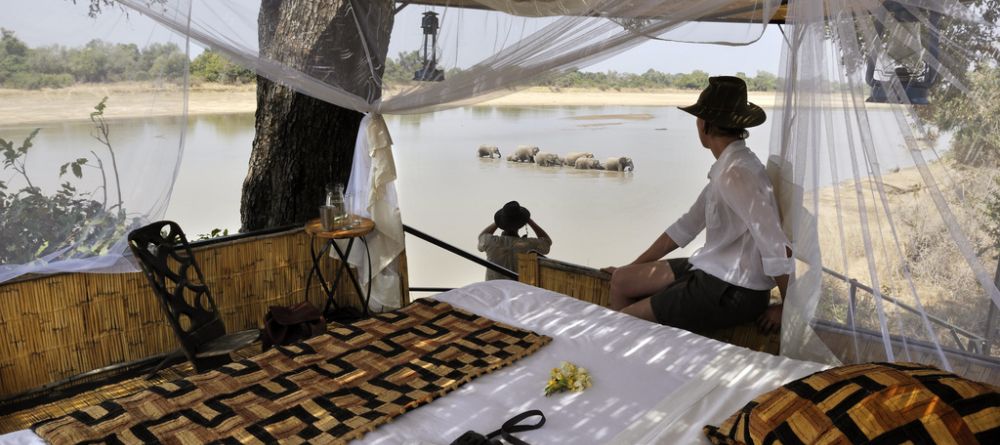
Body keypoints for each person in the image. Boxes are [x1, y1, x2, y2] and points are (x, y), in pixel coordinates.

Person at [603, 76, 792, 335]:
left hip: (733, 289)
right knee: (621, 280)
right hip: (710, 271)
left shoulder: (737, 174)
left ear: (703, 124)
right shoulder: (729, 167)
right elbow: (686, 225)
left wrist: (786, 306)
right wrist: (633, 266)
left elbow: (775, 244)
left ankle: (634, 350)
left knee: (622, 321)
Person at [479, 201, 552, 280]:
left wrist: (498, 222)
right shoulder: (528, 245)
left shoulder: (491, 242)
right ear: (522, 223)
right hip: (518, 290)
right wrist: (529, 221)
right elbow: (546, 241)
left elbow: (482, 236)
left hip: (494, 289)